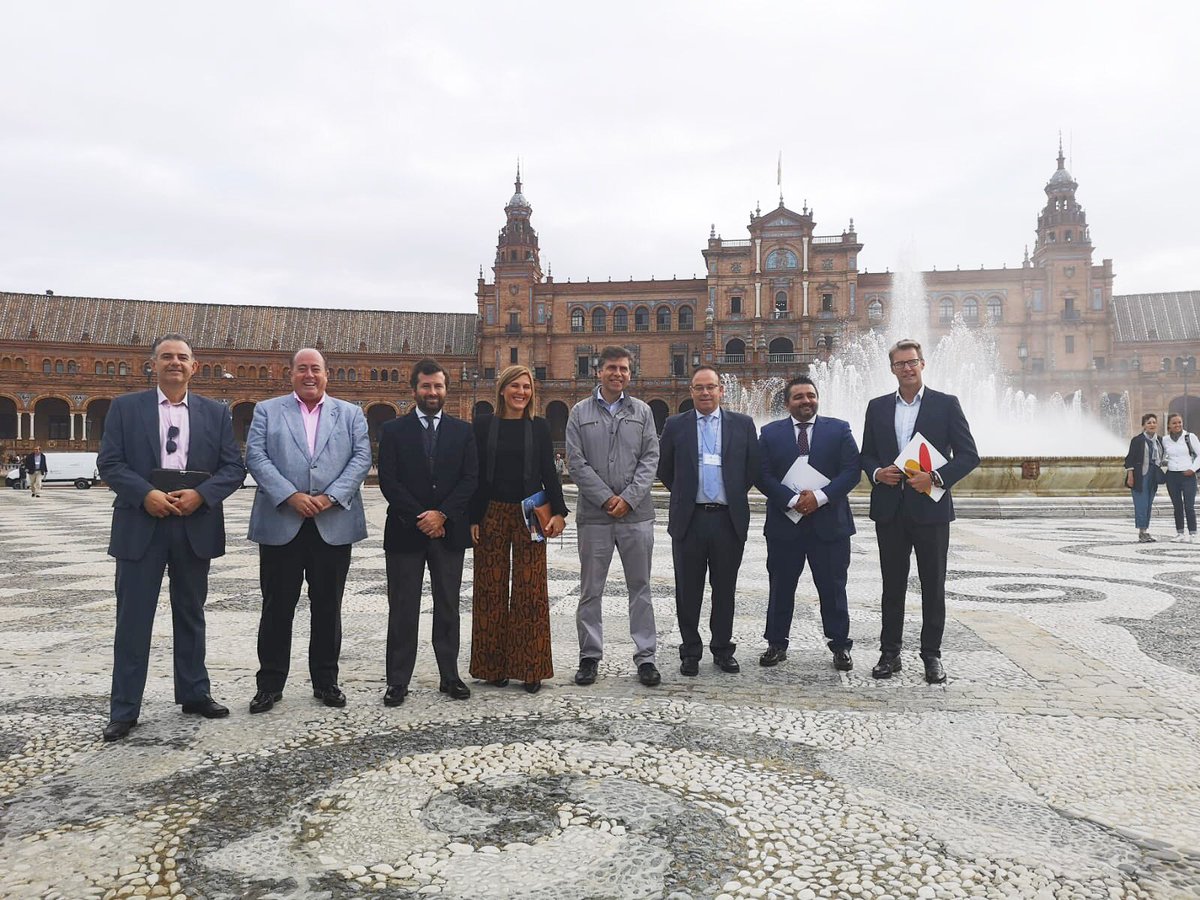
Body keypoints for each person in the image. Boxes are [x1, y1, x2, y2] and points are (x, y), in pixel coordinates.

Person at [96, 334, 245, 742]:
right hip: (141, 524)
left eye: (182, 358)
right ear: (153, 365)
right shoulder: (126, 409)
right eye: (167, 357)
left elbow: (233, 468)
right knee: (132, 620)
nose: (175, 363)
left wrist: (203, 494)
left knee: (191, 613)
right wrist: (145, 494)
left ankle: (195, 692)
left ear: (195, 367)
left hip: (193, 524)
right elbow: (109, 462)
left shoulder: (215, 413)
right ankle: (124, 709)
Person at [244, 348, 372, 713]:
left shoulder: (350, 413)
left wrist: (331, 496)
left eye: (316, 369)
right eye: (302, 369)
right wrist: (290, 495)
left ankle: (326, 681)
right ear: (291, 374)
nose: (309, 375)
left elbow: (362, 458)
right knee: (276, 606)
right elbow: (255, 456)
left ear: (327, 374)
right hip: (283, 520)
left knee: (328, 607)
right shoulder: (267, 410)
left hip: (332, 523)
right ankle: (269, 684)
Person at [860, 338, 979, 684]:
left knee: (933, 584)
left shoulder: (945, 404)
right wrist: (876, 473)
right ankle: (890, 653)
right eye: (900, 364)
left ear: (923, 364)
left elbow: (970, 455)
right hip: (890, 509)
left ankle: (932, 656)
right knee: (891, 585)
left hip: (931, 508)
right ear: (892, 369)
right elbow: (866, 454)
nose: (907, 368)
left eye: (912, 362)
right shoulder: (877, 407)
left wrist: (936, 477)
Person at [377, 358, 478, 705]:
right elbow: (388, 481)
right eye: (426, 386)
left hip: (448, 532)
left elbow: (470, 480)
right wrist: (422, 515)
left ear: (446, 390)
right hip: (406, 530)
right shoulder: (392, 430)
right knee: (403, 606)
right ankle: (398, 681)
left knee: (448, 604)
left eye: (438, 386)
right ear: (414, 389)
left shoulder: (463, 431)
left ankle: (449, 676)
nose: (432, 392)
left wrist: (443, 514)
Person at [566, 345, 661, 687]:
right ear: (598, 371)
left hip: (637, 516)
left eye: (623, 368)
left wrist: (630, 498)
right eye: (611, 368)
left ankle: (646, 657)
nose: (617, 374)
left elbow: (651, 457)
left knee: (641, 588)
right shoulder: (578, 412)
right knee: (591, 589)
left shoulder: (643, 412)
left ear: (630, 373)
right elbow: (576, 463)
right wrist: (608, 499)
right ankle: (589, 656)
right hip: (595, 516)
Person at [468, 365, 568, 693]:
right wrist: (472, 518)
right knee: (489, 589)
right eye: (515, 386)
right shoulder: (484, 425)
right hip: (492, 512)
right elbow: (475, 474)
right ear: (502, 389)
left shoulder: (538, 427)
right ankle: (491, 667)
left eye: (526, 387)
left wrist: (560, 512)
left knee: (531, 590)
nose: (521, 392)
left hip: (529, 514)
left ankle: (531, 666)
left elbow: (547, 472)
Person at [657, 366, 759, 676]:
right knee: (688, 589)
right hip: (690, 519)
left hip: (727, 519)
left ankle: (722, 648)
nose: (705, 392)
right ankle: (690, 651)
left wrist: (730, 495)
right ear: (691, 391)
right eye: (699, 388)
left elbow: (752, 469)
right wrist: (688, 494)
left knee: (725, 588)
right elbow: (665, 469)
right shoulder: (676, 425)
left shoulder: (743, 425)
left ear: (721, 390)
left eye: (711, 387)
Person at [757, 376, 860, 671]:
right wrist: (791, 500)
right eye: (799, 397)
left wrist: (820, 497)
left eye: (811, 395)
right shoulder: (770, 433)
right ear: (787, 402)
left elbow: (852, 471)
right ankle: (776, 643)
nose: (806, 401)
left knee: (833, 587)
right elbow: (761, 474)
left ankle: (840, 645)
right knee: (780, 586)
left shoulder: (839, 429)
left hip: (829, 524)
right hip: (785, 524)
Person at [1124, 413, 1167, 543]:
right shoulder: (1137, 440)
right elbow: (1129, 459)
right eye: (1149, 422)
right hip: (1140, 476)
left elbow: (1163, 458)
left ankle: (1145, 530)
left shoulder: (1159, 440)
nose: (1152, 424)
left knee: (1148, 504)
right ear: (1144, 425)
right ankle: (1142, 532)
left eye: (1154, 422)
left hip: (1153, 475)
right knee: (1141, 504)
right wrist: (1130, 477)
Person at [1162, 413, 1198, 543]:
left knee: (1189, 506)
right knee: (1177, 506)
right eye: (1174, 423)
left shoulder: (1189, 437)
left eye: (1179, 422)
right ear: (1169, 426)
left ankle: (1193, 533)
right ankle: (1180, 533)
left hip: (1188, 475)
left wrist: (1192, 469)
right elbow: (1162, 456)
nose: (1178, 425)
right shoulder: (1165, 440)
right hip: (1172, 476)